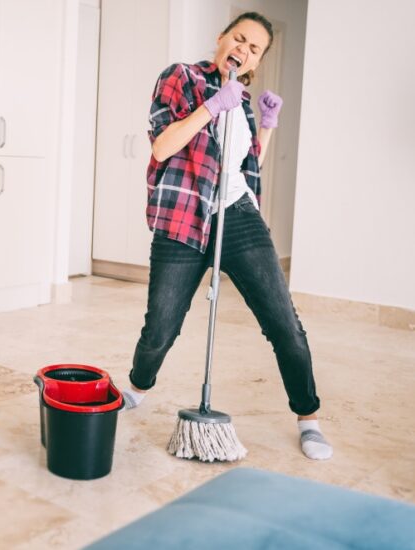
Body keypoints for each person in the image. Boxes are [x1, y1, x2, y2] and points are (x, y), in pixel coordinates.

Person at [121, 12, 332, 460]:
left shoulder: (242, 100)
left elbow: (243, 165)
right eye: (239, 39)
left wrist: (266, 124)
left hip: (236, 214)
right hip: (183, 212)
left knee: (284, 323)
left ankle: (309, 418)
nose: (243, 50)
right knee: (161, 325)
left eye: (254, 49)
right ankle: (138, 387)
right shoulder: (181, 77)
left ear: (256, 61)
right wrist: (212, 106)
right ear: (220, 39)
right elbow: (163, 146)